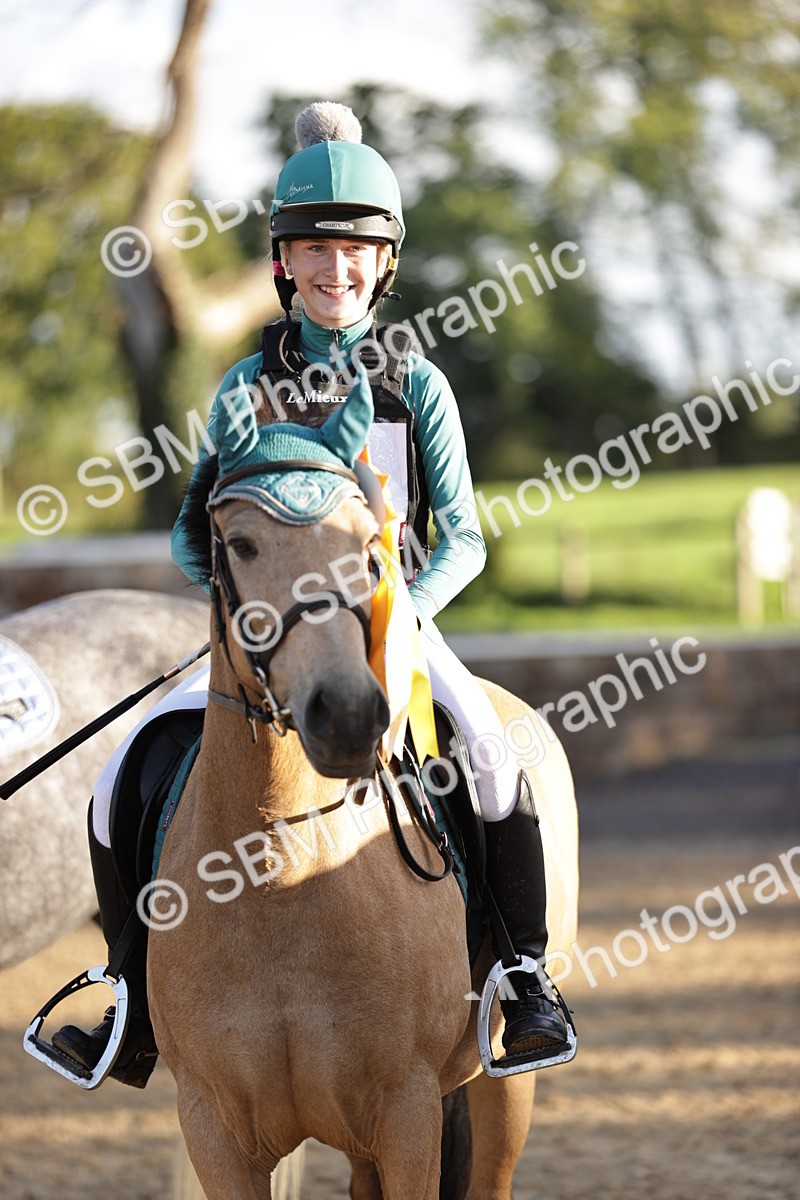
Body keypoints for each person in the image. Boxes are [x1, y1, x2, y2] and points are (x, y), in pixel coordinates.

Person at [53, 102, 570, 1086]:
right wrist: (241, 611)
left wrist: (400, 609)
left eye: (356, 253)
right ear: (282, 262)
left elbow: (459, 536)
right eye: (314, 253)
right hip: (261, 641)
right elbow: (188, 532)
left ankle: (521, 974)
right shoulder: (243, 389)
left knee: (493, 757)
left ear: (383, 265)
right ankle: (130, 997)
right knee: (119, 776)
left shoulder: (414, 386)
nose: (336, 271)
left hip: (392, 622)